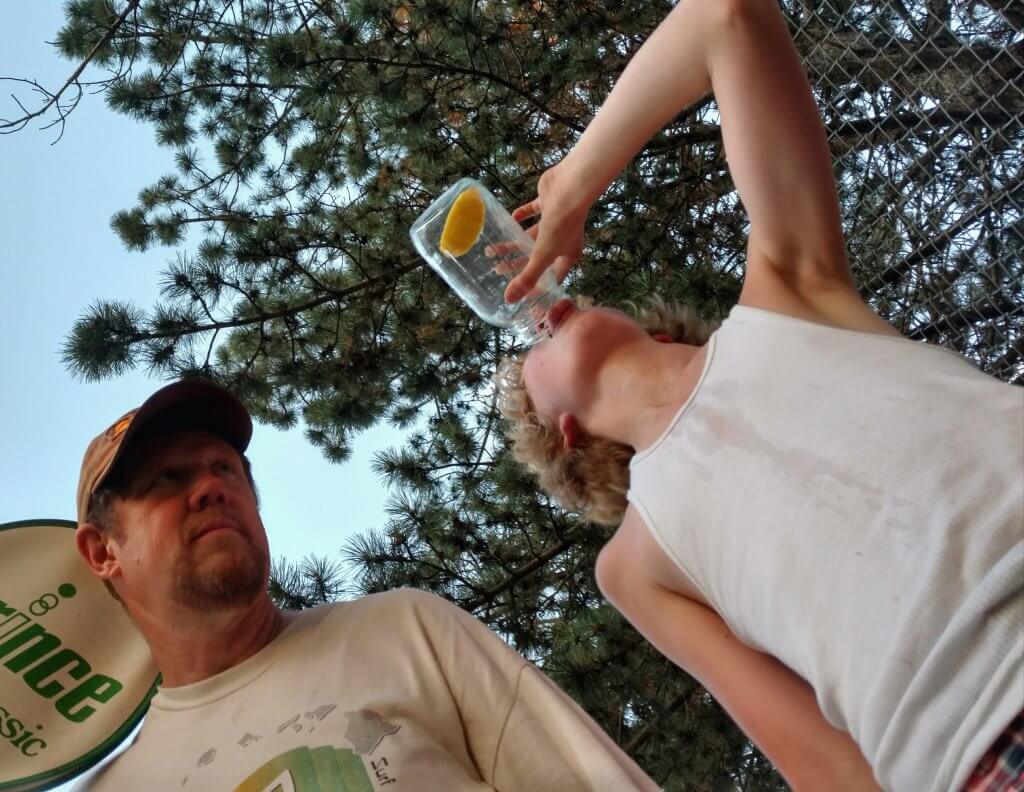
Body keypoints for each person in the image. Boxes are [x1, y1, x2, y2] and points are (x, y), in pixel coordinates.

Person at [495, 0, 1024, 791]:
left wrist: (575, 180)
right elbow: (818, 761)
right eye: (531, 349)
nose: (542, 314)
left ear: (662, 334)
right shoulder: (635, 565)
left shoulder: (789, 296)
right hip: (974, 757)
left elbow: (726, 17)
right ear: (561, 433)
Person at [71, 379, 659, 791]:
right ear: (102, 551)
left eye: (225, 469)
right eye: (168, 479)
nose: (211, 487)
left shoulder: (406, 628)